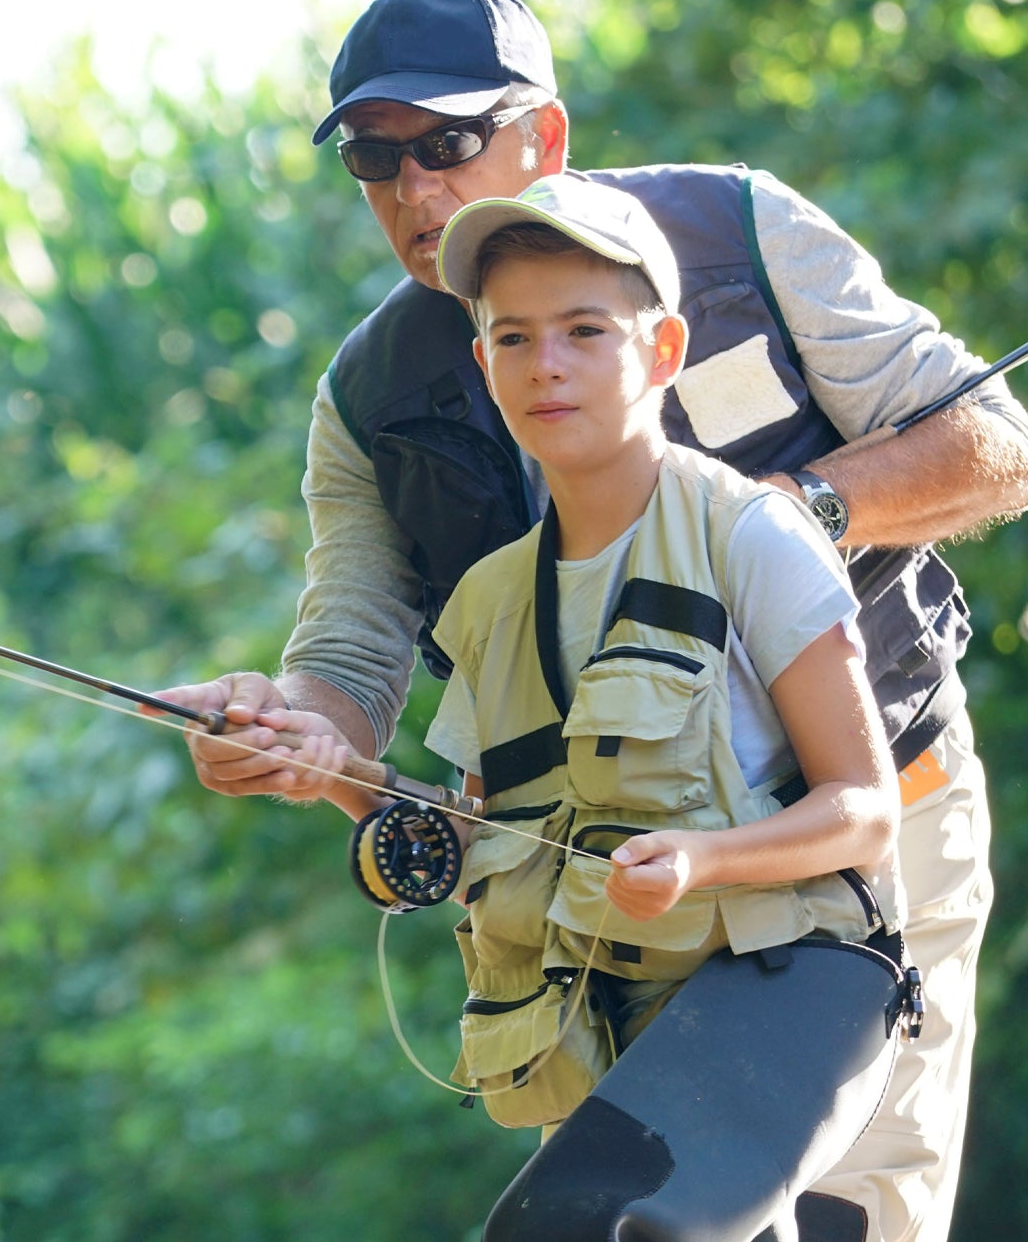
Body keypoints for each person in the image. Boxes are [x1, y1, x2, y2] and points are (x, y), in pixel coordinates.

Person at [156, 0, 1028, 1242]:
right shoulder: (369, 399)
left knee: (856, 1224)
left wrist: (787, 518)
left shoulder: (740, 233)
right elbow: (347, 656)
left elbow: (998, 449)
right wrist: (284, 724)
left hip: (876, 823)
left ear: (549, 137)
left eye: (450, 143)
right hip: (617, 902)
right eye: (375, 155)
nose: (414, 188)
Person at [336, 169, 912, 1242]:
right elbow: (471, 839)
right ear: (483, 364)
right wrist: (322, 771)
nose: (546, 365)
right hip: (607, 1039)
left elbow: (866, 809)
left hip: (778, 992)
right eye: (513, 338)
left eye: (584, 330)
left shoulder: (754, 535)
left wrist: (703, 861)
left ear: (663, 351)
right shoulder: (488, 600)